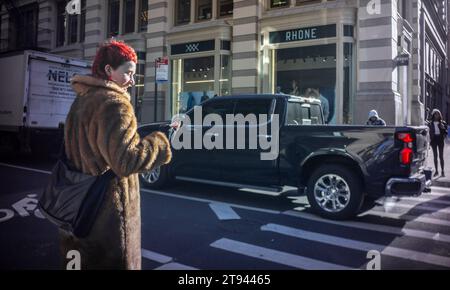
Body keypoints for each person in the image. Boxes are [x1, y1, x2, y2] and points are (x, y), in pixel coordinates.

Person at [60, 40, 173, 269]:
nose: (132, 80)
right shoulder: (114, 104)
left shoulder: (82, 99)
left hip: (77, 208)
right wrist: (160, 142)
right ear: (109, 70)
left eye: (134, 74)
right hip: (107, 218)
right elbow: (126, 162)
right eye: (128, 73)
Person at [427, 109, 448, 177]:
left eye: (438, 114)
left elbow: (446, 133)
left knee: (441, 156)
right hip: (434, 140)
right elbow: (428, 132)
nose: (437, 115)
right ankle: (436, 171)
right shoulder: (430, 123)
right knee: (435, 156)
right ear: (433, 115)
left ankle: (442, 171)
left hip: (440, 140)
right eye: (435, 114)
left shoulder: (443, 123)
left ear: (440, 115)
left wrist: (443, 128)